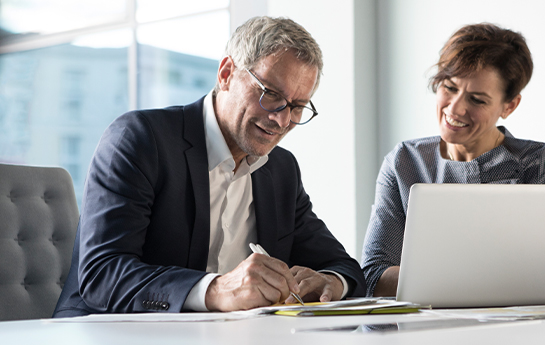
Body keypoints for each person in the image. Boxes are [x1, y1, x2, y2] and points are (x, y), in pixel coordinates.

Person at [53, 16, 365, 317]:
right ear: (227, 73)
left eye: (297, 107)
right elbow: (102, 275)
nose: (282, 120)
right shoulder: (141, 139)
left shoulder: (281, 169)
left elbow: (343, 266)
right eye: (271, 95)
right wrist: (217, 290)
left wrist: (330, 283)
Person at [361, 23, 545, 306]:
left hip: (521, 328)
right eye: (449, 87)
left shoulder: (535, 163)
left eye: (477, 99)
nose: (455, 108)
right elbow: (374, 276)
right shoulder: (405, 162)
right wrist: (458, 281)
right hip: (426, 328)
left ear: (509, 106)